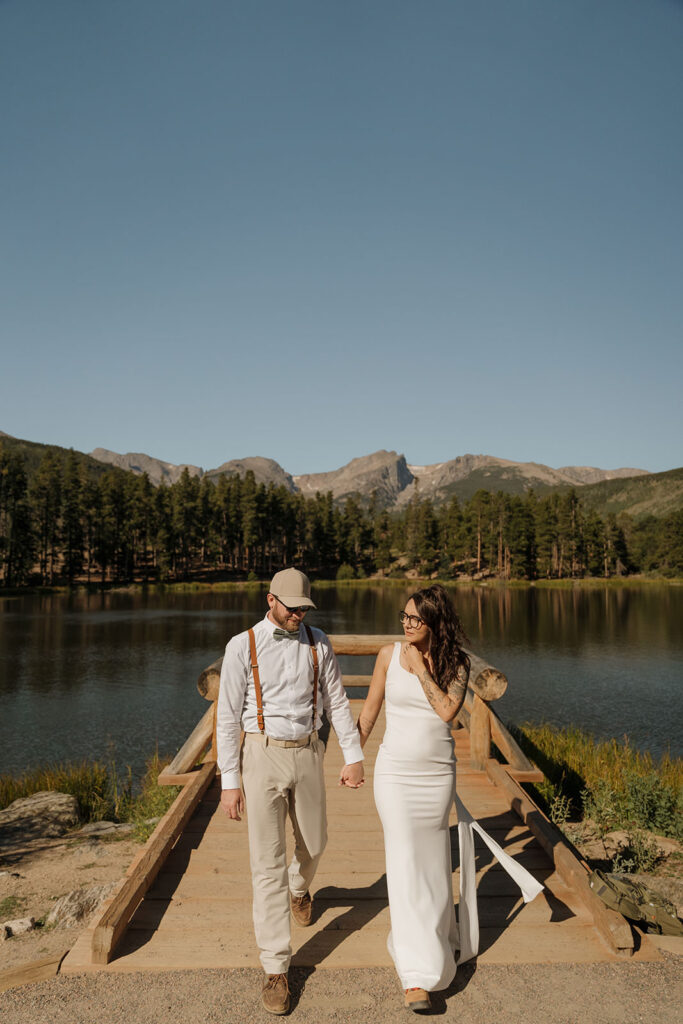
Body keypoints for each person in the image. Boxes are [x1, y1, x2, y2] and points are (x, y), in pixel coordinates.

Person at [358, 584, 542, 1013]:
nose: (405, 626)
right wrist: (353, 756)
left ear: (434, 623)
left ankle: (437, 939)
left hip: (436, 777)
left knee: (433, 863)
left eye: (414, 620)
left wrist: (421, 668)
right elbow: (368, 712)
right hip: (395, 776)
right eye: (402, 617)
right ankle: (416, 975)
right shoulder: (387, 655)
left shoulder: (455, 663)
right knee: (404, 864)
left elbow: (446, 712)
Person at [217, 568, 364, 1015]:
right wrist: (230, 782)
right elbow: (226, 719)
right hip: (260, 754)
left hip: (308, 752)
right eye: (292, 607)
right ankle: (276, 967)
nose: (299, 614)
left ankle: (299, 888)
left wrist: (353, 754)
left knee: (316, 842)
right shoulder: (242, 646)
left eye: (304, 608)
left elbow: (337, 700)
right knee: (266, 864)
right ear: (271, 600)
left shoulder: (318, 642)